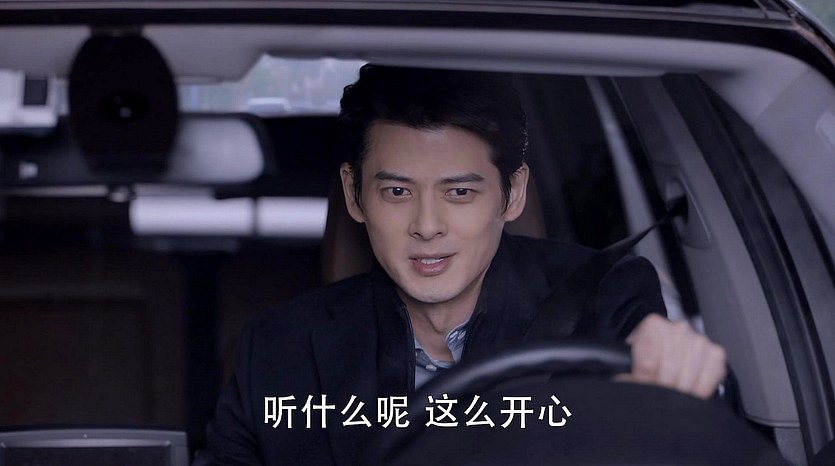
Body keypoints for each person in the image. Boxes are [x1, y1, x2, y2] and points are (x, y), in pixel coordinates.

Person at [203, 65, 727, 466]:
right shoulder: (277, 350)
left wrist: (677, 386)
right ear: (354, 194)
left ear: (512, 194)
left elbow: (658, 433)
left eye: (459, 192)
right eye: (397, 191)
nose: (427, 225)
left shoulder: (605, 302)